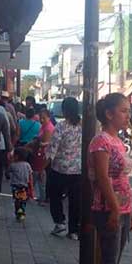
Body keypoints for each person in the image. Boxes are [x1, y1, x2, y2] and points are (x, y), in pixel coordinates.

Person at [89, 93, 132, 264]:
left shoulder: (117, 140)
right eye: (124, 111)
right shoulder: (101, 141)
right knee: (107, 261)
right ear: (109, 114)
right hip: (107, 209)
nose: (128, 115)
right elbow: (103, 178)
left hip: (123, 209)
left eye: (128, 111)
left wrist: (129, 211)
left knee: (116, 260)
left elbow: (123, 179)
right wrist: (115, 209)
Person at [47, 97, 83, 239]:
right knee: (75, 200)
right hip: (78, 170)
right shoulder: (83, 126)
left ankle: (60, 223)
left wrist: (43, 166)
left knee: (54, 195)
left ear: (64, 110)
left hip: (59, 169)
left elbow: (52, 149)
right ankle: (73, 230)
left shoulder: (61, 126)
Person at [31, 107, 56, 204]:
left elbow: (46, 143)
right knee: (40, 176)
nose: (41, 120)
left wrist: (38, 143)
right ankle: (42, 197)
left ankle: (44, 198)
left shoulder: (48, 128)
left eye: (44, 118)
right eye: (40, 118)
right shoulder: (43, 126)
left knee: (42, 176)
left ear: (49, 117)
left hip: (45, 156)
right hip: (41, 154)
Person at [9, 147, 33, 222]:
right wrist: (31, 184)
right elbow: (30, 175)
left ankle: (18, 212)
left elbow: (7, 172)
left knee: (17, 200)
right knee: (23, 200)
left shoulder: (13, 165)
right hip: (24, 186)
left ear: (16, 156)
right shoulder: (27, 165)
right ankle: (22, 212)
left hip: (15, 186)